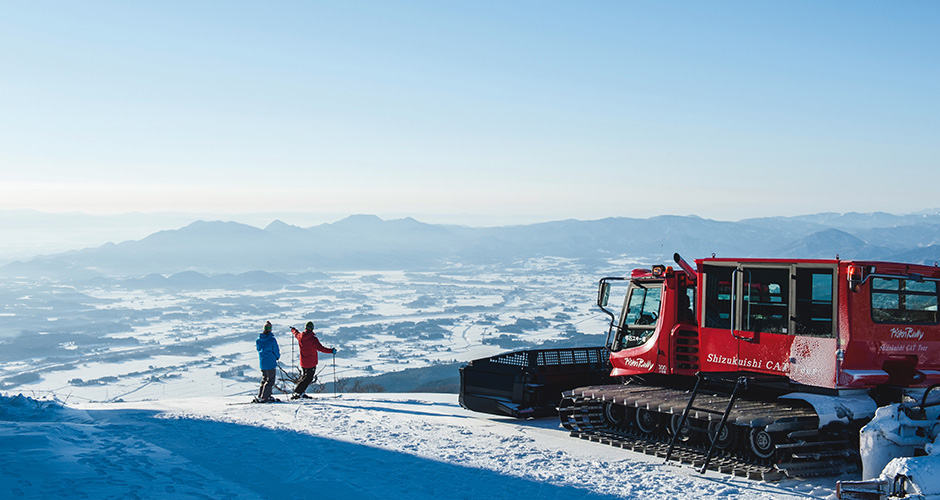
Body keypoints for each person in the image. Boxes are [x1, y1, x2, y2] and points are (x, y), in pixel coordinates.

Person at [290, 321, 336, 399]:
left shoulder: (300, 336)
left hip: (303, 362)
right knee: (308, 378)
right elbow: (321, 348)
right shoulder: (313, 339)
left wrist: (293, 330)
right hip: (311, 363)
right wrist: (331, 351)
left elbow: (296, 333)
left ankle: (300, 392)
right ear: (312, 329)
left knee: (305, 377)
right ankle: (298, 392)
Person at [254, 321, 281, 403]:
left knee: (264, 379)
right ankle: (266, 397)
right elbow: (275, 350)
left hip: (262, 362)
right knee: (270, 380)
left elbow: (258, 349)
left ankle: (261, 395)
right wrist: (277, 357)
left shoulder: (259, 340)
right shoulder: (272, 339)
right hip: (270, 362)